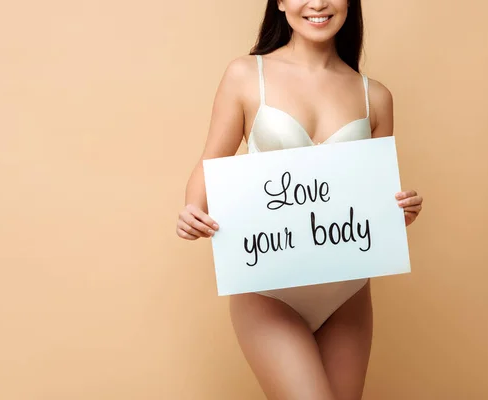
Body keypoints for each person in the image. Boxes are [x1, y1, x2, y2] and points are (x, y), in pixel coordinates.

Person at [176, 1, 423, 399]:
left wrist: (401, 209)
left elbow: (374, 198)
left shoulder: (375, 96)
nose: (319, 3)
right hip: (268, 290)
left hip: (348, 293)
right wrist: (191, 210)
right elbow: (211, 162)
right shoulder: (246, 74)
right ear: (280, 2)